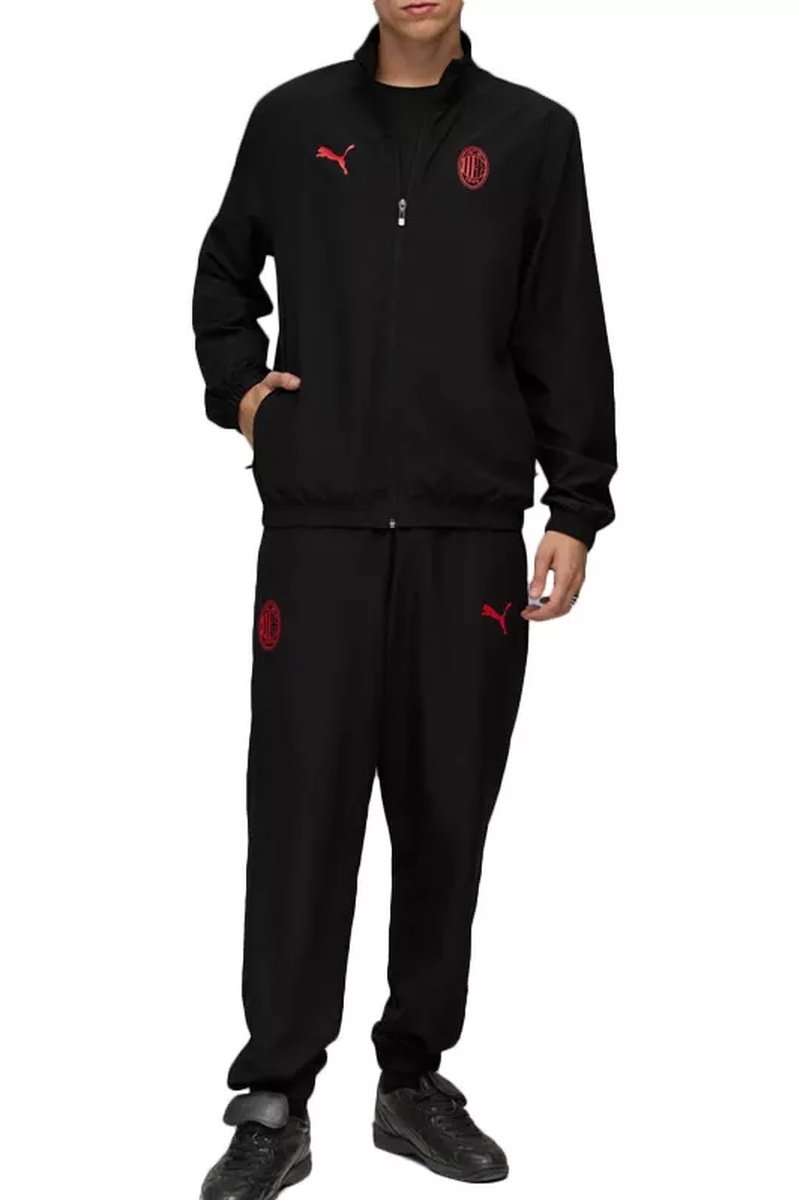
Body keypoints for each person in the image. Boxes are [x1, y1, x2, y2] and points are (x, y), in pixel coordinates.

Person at [192, 1, 616, 1195]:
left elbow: (563, 318)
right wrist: (244, 393)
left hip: (466, 533)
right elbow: (223, 276)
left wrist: (575, 503)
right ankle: (274, 1097)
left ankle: (411, 1080)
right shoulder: (293, 120)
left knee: (444, 815)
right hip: (318, 533)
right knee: (299, 815)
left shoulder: (533, 134)